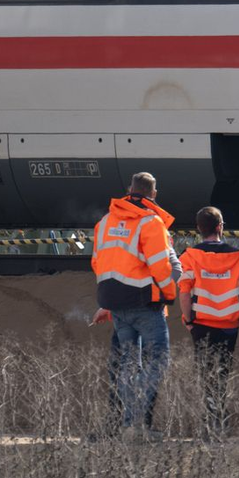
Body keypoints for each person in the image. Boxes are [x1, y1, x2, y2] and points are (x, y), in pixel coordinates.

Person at [89, 172, 178, 440]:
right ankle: (136, 424)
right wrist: (169, 294)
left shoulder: (105, 222)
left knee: (128, 365)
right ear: (154, 194)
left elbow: (97, 262)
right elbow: (162, 267)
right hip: (143, 303)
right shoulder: (150, 222)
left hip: (115, 303)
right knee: (158, 360)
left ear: (129, 189)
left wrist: (109, 299)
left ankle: (130, 426)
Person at [178, 207, 239, 440]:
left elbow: (184, 294)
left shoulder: (189, 257)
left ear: (198, 229)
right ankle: (220, 421)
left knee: (206, 373)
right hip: (229, 325)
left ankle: (209, 423)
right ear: (220, 226)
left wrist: (188, 319)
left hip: (201, 324)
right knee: (223, 371)